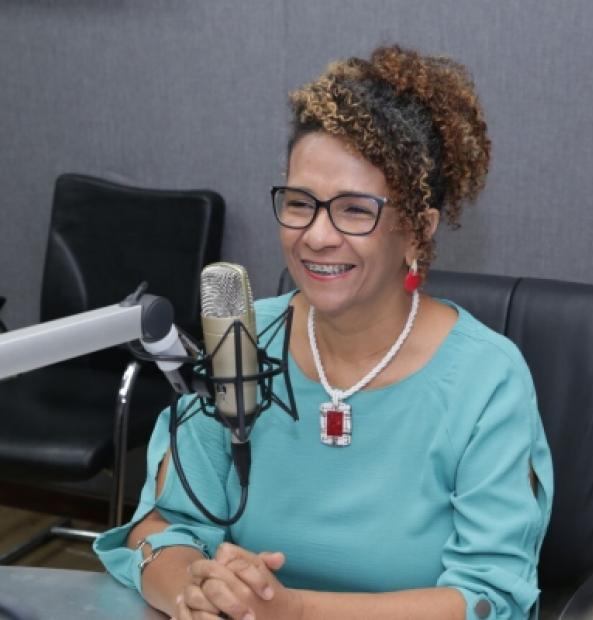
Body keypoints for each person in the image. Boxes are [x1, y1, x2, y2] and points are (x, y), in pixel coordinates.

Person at [94, 44, 553, 620]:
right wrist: (197, 594)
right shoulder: (241, 337)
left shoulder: (486, 379)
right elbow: (165, 527)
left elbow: (488, 597)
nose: (316, 236)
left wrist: (295, 612)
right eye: (300, 203)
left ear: (418, 231)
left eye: (355, 210)